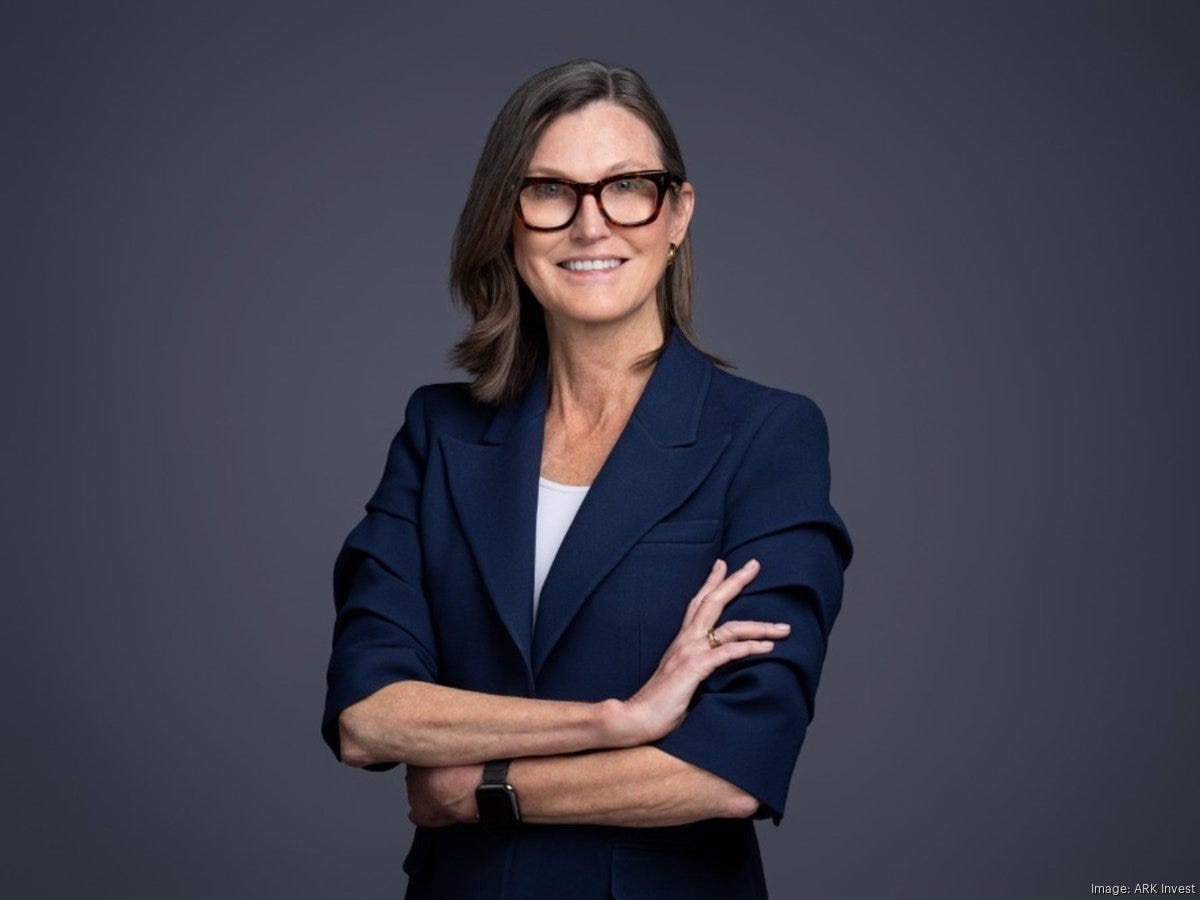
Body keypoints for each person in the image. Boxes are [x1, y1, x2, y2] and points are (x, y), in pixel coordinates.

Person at [321, 58, 852, 899]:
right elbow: (368, 714)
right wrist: (616, 720)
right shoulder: (439, 431)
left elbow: (733, 766)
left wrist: (480, 791)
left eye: (627, 186)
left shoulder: (766, 437)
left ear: (677, 214)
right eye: (549, 191)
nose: (590, 224)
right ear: (506, 220)